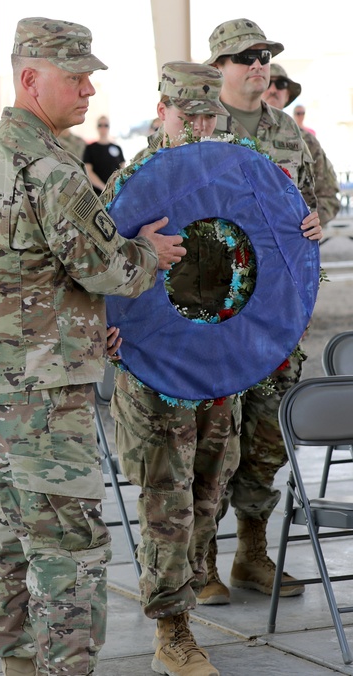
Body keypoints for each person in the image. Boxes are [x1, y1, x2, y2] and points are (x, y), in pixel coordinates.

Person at [0, 17, 185, 676]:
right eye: (74, 78)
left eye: (89, 78)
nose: (86, 91)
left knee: (10, 539)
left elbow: (5, 274)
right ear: (29, 78)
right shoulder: (51, 165)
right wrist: (152, 254)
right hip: (43, 392)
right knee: (69, 547)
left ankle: (19, 664)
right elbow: (109, 268)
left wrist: (77, 320)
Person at [102, 62, 239, 676]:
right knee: (168, 499)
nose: (201, 124)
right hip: (156, 370)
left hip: (218, 365)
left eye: (210, 114)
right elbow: (96, 265)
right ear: (163, 111)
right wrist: (101, 323)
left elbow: (268, 255)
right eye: (190, 114)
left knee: (209, 494)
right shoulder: (134, 182)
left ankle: (186, 593)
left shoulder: (235, 177)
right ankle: (172, 630)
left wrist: (306, 230)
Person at [198, 17, 323, 610]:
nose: (259, 64)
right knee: (212, 441)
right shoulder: (197, 127)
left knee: (267, 437)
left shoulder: (288, 133)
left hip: (277, 312)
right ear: (219, 64)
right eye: (246, 56)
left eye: (265, 55)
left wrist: (320, 216)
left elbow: (321, 192)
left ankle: (252, 552)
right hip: (217, 314)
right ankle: (199, 561)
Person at [261, 63, 340, 224]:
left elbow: (329, 196)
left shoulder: (305, 140)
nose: (273, 89)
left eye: (281, 84)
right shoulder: (239, 133)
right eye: (268, 82)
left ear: (288, 94)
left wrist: (305, 223)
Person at [82, 115, 124, 194]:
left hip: (115, 192)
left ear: (109, 127)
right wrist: (104, 188)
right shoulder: (90, 148)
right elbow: (88, 172)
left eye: (106, 125)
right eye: (100, 125)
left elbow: (122, 170)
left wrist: (114, 188)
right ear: (97, 127)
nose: (103, 128)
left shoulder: (117, 148)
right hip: (98, 193)